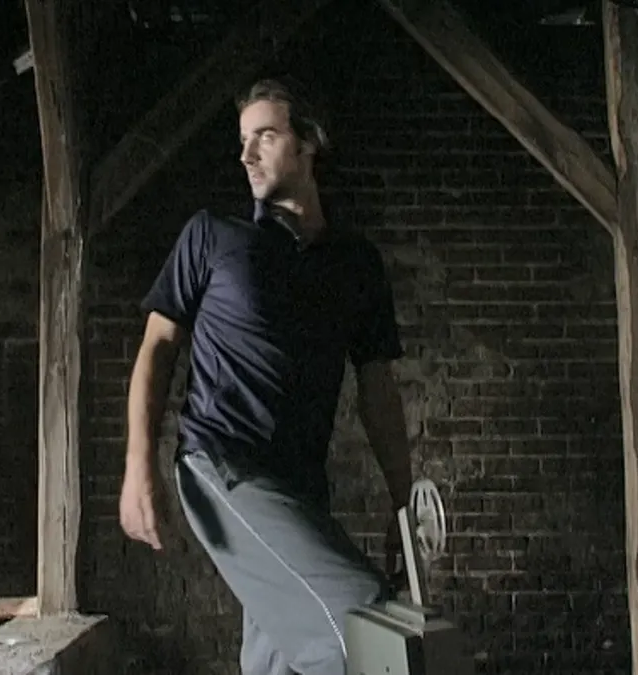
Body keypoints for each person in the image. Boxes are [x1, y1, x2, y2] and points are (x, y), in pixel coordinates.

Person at [118, 77, 415, 675]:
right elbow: (157, 347)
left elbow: (378, 390)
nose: (246, 155)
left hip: (301, 488)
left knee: (277, 663)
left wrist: (403, 502)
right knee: (369, 627)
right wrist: (137, 465)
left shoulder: (356, 265)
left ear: (309, 143)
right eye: (243, 140)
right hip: (223, 466)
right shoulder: (214, 237)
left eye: (266, 137)